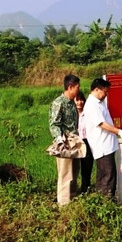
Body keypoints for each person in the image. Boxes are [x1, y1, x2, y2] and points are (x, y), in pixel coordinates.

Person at [82, 78, 122, 200]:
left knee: (104, 175)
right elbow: (102, 124)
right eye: (104, 91)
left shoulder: (99, 102)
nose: (106, 94)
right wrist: (119, 131)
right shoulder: (92, 105)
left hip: (107, 146)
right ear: (96, 89)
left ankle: (100, 202)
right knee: (108, 176)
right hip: (102, 147)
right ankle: (107, 204)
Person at [49, 74, 81, 206]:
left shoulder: (72, 103)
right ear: (70, 87)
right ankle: (64, 203)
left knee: (75, 171)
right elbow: (54, 124)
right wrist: (60, 140)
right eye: (77, 87)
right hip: (65, 142)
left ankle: (72, 197)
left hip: (75, 141)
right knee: (65, 173)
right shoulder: (59, 103)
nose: (79, 90)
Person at [74, 90, 92, 194]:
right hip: (76, 142)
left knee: (86, 166)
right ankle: (73, 189)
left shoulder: (87, 113)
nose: (79, 102)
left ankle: (85, 188)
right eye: (77, 100)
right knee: (75, 166)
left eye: (81, 100)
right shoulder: (72, 115)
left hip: (87, 141)